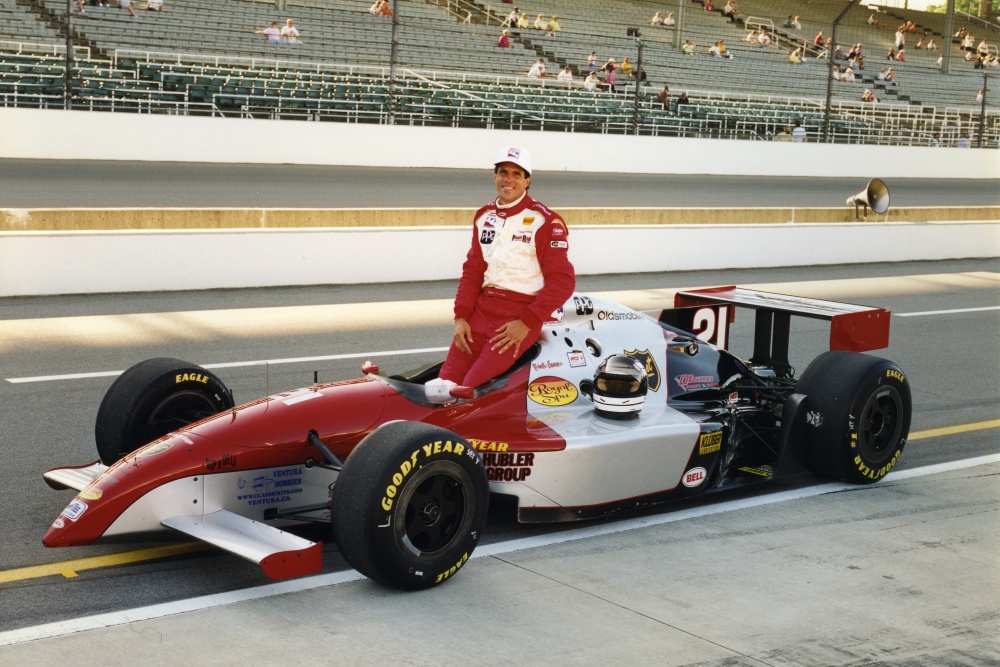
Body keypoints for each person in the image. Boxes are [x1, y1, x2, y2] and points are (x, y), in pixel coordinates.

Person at [432, 147, 575, 394]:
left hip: (517, 317)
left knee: (469, 389)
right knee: (441, 387)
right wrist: (461, 316)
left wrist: (527, 322)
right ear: (495, 176)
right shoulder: (483, 216)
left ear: (527, 180)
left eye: (517, 174)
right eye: (503, 172)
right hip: (481, 311)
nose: (509, 179)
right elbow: (473, 271)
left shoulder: (545, 220)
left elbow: (563, 281)